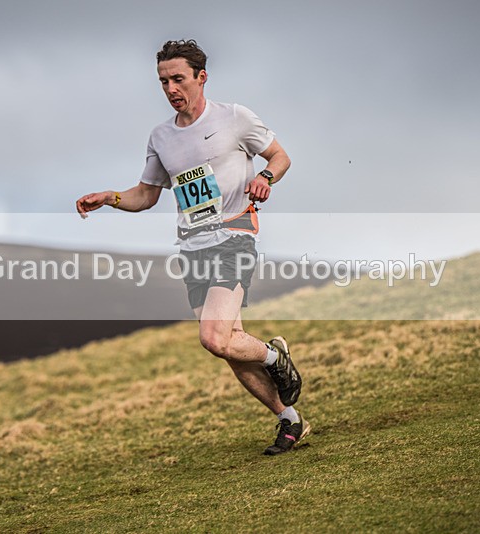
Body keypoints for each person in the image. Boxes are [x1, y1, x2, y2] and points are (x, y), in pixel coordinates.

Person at [76, 39, 308, 455]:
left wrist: (265, 179)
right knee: (231, 346)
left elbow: (279, 157)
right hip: (193, 245)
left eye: (178, 78)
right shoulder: (161, 137)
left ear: (202, 77)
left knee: (214, 338)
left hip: (235, 234)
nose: (170, 88)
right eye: (163, 81)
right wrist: (110, 197)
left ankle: (275, 359)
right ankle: (289, 419)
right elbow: (147, 195)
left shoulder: (235, 118)